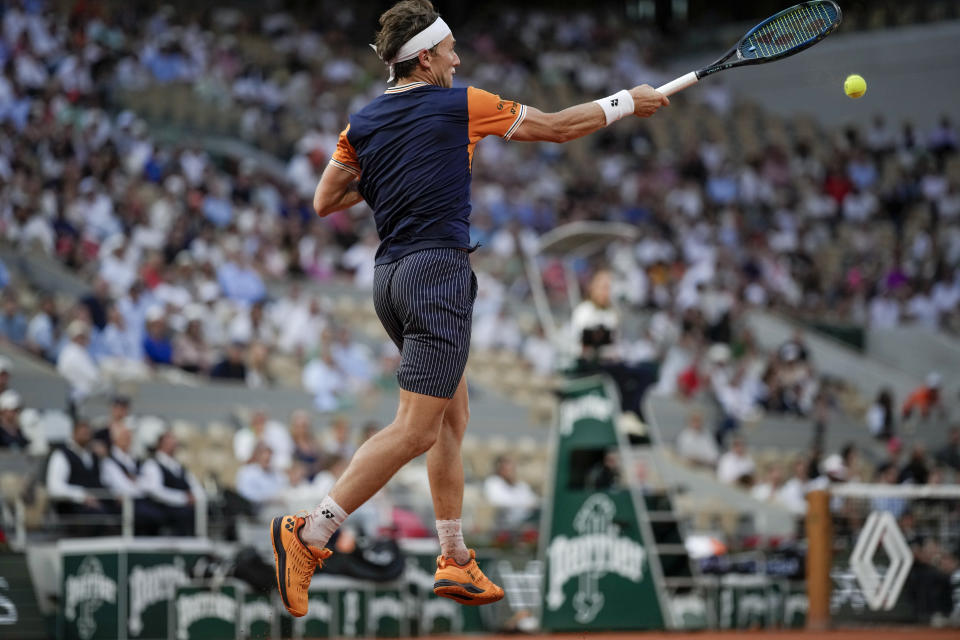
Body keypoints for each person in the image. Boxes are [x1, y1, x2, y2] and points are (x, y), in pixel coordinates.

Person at [269, 0, 669, 617]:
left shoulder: (363, 123)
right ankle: (310, 533)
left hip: (390, 279)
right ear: (425, 56)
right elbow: (558, 127)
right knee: (416, 429)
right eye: (450, 48)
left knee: (451, 420)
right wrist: (626, 102)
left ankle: (454, 557)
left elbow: (326, 199)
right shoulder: (464, 104)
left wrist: (384, 173)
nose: (458, 58)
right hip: (437, 275)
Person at [46, 419, 116, 535]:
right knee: (98, 518)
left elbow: (103, 480)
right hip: (73, 508)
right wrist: (81, 496)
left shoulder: (94, 456)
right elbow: (54, 487)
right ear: (74, 433)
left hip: (98, 504)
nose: (86, 435)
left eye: (87, 432)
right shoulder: (61, 455)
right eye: (82, 432)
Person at [100, 422, 165, 535]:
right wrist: (139, 484)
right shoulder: (109, 462)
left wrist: (136, 482)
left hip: (142, 503)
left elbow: (151, 485)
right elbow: (124, 488)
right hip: (125, 506)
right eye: (124, 436)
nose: (128, 439)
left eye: (129, 436)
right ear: (115, 439)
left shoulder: (135, 461)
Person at [141, 430, 205, 536]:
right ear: (160, 443)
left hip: (183, 510)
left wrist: (196, 497)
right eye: (169, 440)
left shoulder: (179, 467)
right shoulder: (152, 464)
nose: (174, 443)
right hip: (164, 510)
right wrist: (183, 498)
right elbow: (156, 491)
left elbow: (196, 487)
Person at [483, 454, 539, 528]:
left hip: (526, 519)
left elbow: (534, 501)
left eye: (512, 468)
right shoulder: (493, 482)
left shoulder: (521, 485)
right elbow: (498, 501)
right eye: (506, 468)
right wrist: (523, 504)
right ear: (499, 469)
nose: (510, 471)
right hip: (507, 523)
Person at [235, 443, 289, 514]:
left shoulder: (276, 473)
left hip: (277, 508)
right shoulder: (246, 472)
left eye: (269, 458)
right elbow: (245, 495)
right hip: (256, 511)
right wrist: (269, 498)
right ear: (256, 456)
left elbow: (284, 488)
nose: (267, 459)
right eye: (264, 457)